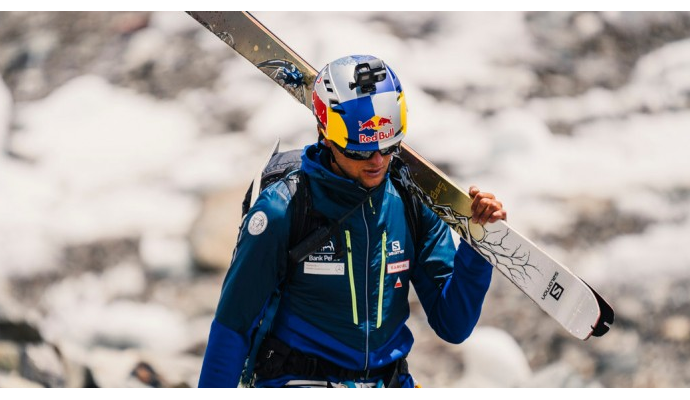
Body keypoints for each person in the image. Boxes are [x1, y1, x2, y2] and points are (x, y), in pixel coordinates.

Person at [199, 55, 506, 388]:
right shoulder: (281, 211)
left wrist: (478, 244)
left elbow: (454, 324)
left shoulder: (412, 203)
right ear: (325, 134)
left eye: (389, 146)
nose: (377, 160)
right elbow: (232, 327)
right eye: (360, 150)